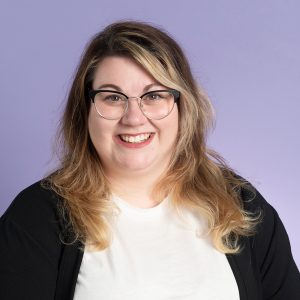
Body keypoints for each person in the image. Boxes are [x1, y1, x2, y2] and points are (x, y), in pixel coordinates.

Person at [0, 21, 299, 300]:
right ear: (85, 110)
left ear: (184, 106)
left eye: (154, 95)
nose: (133, 118)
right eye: (112, 97)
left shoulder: (240, 206)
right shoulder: (35, 218)